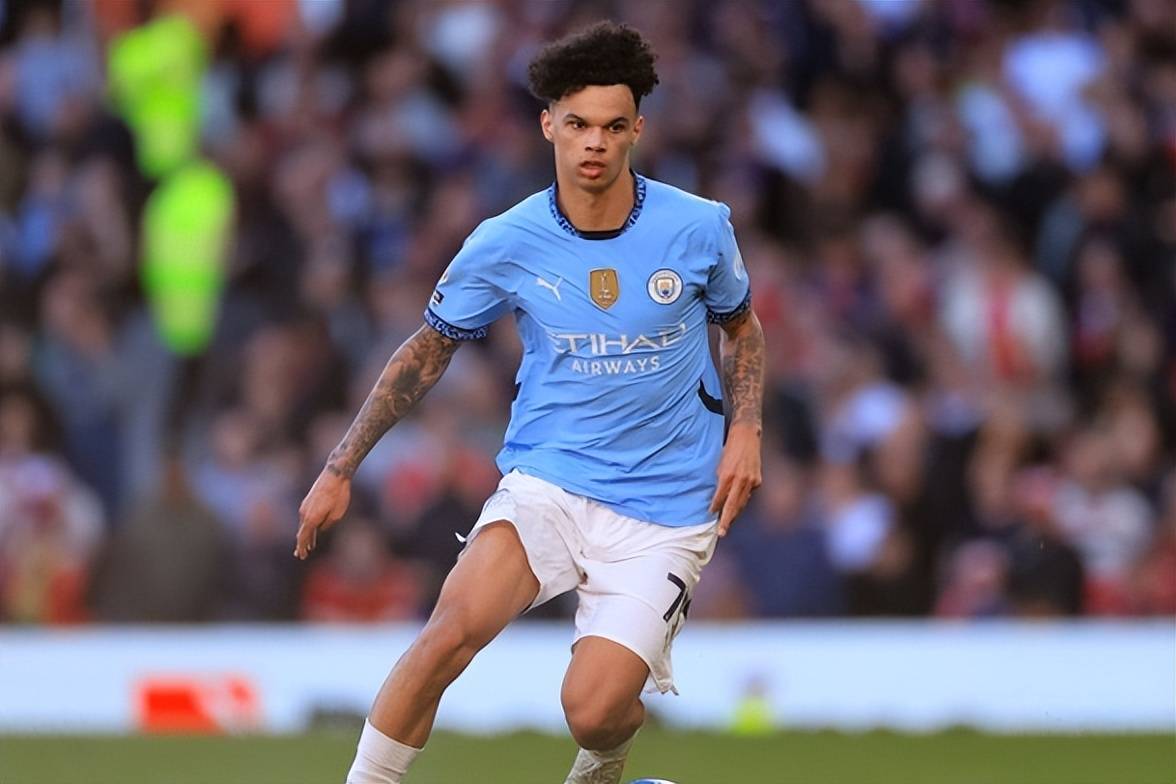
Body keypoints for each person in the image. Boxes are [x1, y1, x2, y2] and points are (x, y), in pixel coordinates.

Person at [294, 22, 764, 784]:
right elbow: (427, 350)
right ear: (549, 125)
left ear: (638, 130)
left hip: (667, 506)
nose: (595, 143)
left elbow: (742, 329)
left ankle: (603, 761)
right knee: (448, 633)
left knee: (594, 710)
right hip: (550, 480)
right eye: (577, 124)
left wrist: (746, 429)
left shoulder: (698, 226)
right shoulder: (504, 240)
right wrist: (340, 466)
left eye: (613, 126)